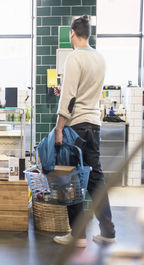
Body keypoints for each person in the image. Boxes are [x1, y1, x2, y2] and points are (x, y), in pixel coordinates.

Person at [53, 15, 115, 247]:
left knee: (70, 178)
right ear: (88, 34)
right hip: (94, 125)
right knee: (96, 178)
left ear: (72, 33)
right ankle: (108, 231)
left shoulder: (74, 58)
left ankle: (77, 236)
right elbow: (86, 92)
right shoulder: (100, 58)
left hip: (76, 126)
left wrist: (60, 128)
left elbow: (68, 99)